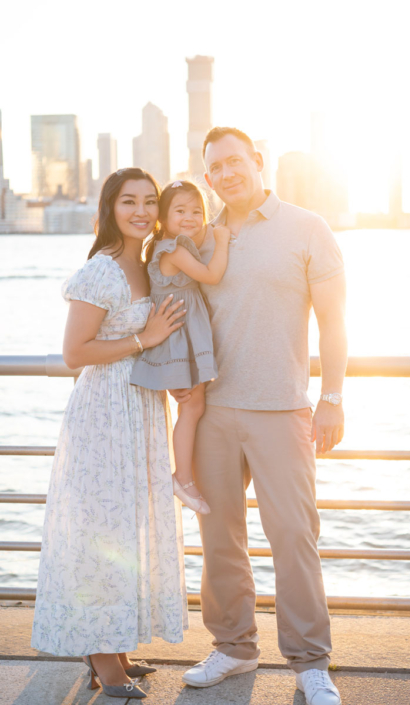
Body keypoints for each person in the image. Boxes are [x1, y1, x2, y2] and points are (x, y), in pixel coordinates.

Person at [172, 128, 347, 705]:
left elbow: (334, 323)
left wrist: (333, 397)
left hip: (283, 409)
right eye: (213, 168)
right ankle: (234, 647)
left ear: (257, 162)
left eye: (233, 162)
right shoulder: (201, 236)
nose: (225, 174)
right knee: (218, 536)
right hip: (213, 411)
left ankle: (310, 662)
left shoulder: (307, 228)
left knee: (295, 536)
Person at [31, 168, 188, 700]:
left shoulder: (146, 265)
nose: (141, 211)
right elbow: (76, 353)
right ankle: (102, 658)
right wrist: (145, 338)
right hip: (104, 414)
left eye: (149, 201)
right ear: (110, 208)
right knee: (102, 532)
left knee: (126, 531)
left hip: (139, 410)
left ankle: (114, 649)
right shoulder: (102, 270)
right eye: (129, 202)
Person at [130, 180, 231, 514]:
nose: (191, 217)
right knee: (192, 407)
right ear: (163, 217)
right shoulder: (172, 250)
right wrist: (224, 240)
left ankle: (182, 475)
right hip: (177, 336)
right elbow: (211, 275)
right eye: (181, 211)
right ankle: (183, 477)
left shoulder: (170, 243)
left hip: (181, 334)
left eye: (197, 211)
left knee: (192, 406)